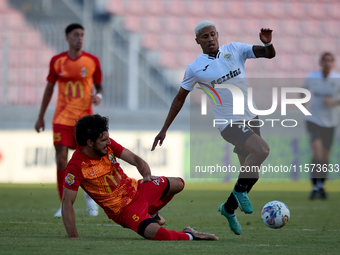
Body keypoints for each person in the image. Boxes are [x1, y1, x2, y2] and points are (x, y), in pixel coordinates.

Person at [152, 21, 275, 235]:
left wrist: (269, 43)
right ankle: (239, 192)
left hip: (251, 118)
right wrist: (164, 129)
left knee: (252, 175)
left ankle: (228, 209)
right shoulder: (195, 68)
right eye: (205, 37)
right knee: (262, 150)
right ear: (197, 41)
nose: (210, 39)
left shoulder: (235, 49)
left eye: (212, 35)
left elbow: (268, 54)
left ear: (217, 34)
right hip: (229, 124)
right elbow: (178, 100)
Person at [62, 114, 218, 241]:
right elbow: (67, 202)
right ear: (89, 143)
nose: (108, 142)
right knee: (158, 235)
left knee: (179, 183)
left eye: (108, 138)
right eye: (104, 140)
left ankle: (151, 214)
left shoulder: (108, 145)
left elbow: (136, 159)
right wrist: (73, 236)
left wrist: (147, 176)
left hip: (137, 189)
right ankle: (191, 235)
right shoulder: (76, 166)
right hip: (125, 210)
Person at [35, 23, 103, 217]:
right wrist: (40, 117)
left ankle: (91, 198)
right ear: (67, 38)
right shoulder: (57, 61)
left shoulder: (92, 61)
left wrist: (99, 97)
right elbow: (48, 90)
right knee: (61, 160)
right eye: (76, 35)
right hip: (62, 118)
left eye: (82, 35)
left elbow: (100, 87)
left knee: (88, 161)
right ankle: (64, 203)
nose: (79, 38)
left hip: (85, 121)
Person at [303, 52, 340, 200]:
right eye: (325, 60)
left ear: (333, 63)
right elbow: (303, 91)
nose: (327, 63)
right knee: (317, 154)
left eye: (330, 61)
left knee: (325, 157)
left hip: (330, 122)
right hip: (313, 120)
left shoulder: (337, 79)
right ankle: (314, 186)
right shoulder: (312, 78)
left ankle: (321, 186)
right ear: (321, 62)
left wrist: (334, 102)